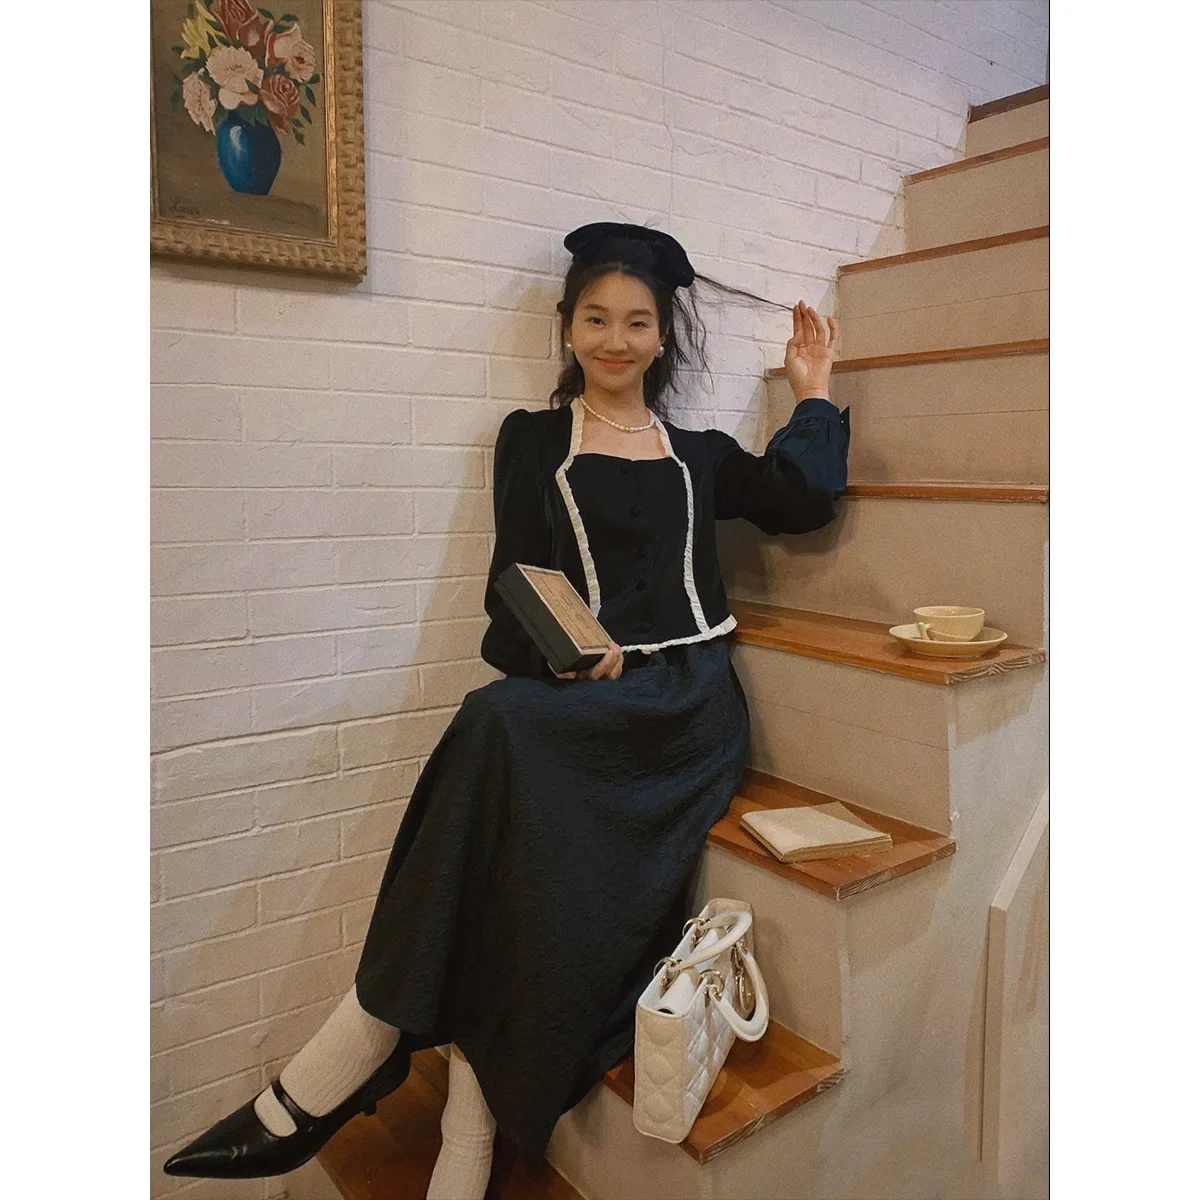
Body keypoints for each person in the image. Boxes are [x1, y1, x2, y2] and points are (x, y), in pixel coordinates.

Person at [163, 222, 850, 1197]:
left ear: (663, 336)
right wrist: (571, 648)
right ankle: (462, 1114)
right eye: (596, 318)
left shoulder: (698, 454)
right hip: (588, 695)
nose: (616, 339)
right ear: (568, 326)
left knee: (495, 726)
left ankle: (358, 1048)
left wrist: (813, 390)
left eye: (638, 322)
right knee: (506, 786)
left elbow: (801, 497)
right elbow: (517, 580)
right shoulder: (532, 439)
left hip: (688, 706)